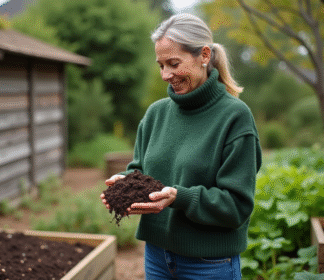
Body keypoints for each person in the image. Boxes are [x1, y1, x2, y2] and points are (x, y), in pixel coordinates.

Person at [101, 13, 262, 280]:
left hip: (209, 264)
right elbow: (140, 170)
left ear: (205, 55)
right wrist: (125, 182)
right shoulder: (156, 114)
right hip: (157, 258)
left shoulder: (235, 118)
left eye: (174, 64)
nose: (166, 75)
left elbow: (237, 205)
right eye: (161, 65)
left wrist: (180, 197)